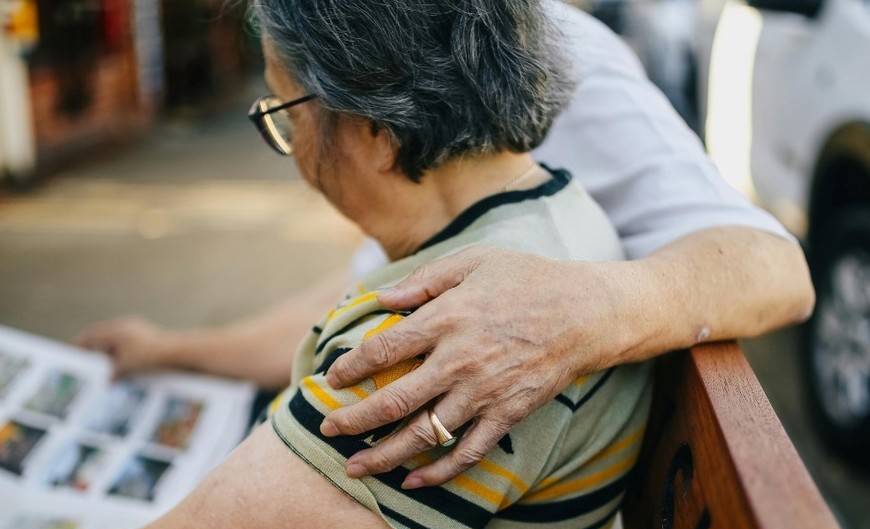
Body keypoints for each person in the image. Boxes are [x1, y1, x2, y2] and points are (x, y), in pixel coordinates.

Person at [4, 1, 661, 529]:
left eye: (285, 109)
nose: (292, 149)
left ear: (376, 126)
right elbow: (334, 303)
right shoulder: (544, 214)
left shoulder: (448, 332)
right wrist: (169, 349)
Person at [75, 0, 815, 491]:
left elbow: (775, 267)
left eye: (290, 115)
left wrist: (568, 312)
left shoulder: (547, 47)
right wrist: (172, 349)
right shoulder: (396, 42)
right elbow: (360, 293)